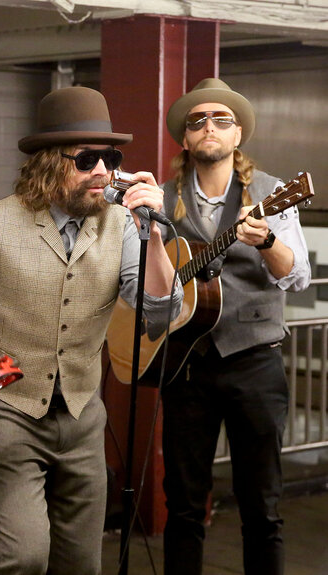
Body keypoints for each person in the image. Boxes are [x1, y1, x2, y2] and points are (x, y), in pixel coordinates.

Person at [0, 86, 182, 575]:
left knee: (81, 564)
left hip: (83, 418)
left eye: (110, 157)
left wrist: (156, 236)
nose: (102, 171)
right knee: (26, 558)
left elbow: (158, 312)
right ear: (47, 164)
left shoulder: (124, 226)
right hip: (8, 416)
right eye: (86, 160)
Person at [160, 78, 311, 575]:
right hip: (185, 365)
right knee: (182, 507)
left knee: (261, 506)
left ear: (238, 135)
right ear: (185, 139)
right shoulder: (160, 200)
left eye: (222, 120)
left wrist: (266, 240)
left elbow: (296, 276)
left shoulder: (271, 192)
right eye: (197, 120)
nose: (210, 127)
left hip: (254, 363)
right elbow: (139, 282)